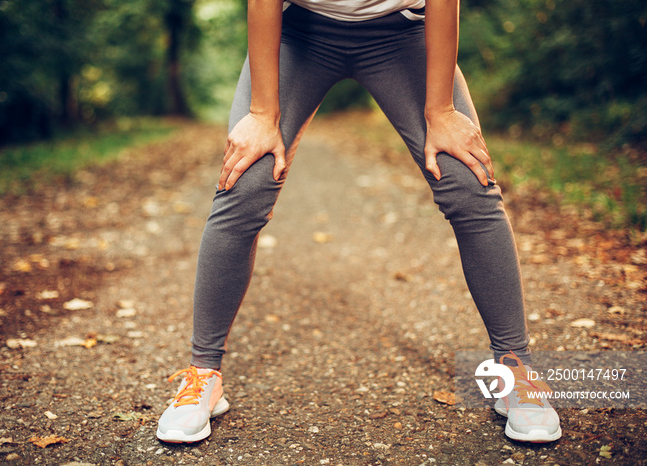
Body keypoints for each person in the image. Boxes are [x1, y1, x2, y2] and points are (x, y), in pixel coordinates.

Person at [155, 0, 562, 444]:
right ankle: (203, 375)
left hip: (401, 36)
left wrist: (442, 112)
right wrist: (262, 116)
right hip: (300, 35)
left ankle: (515, 368)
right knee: (247, 182)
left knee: (467, 179)